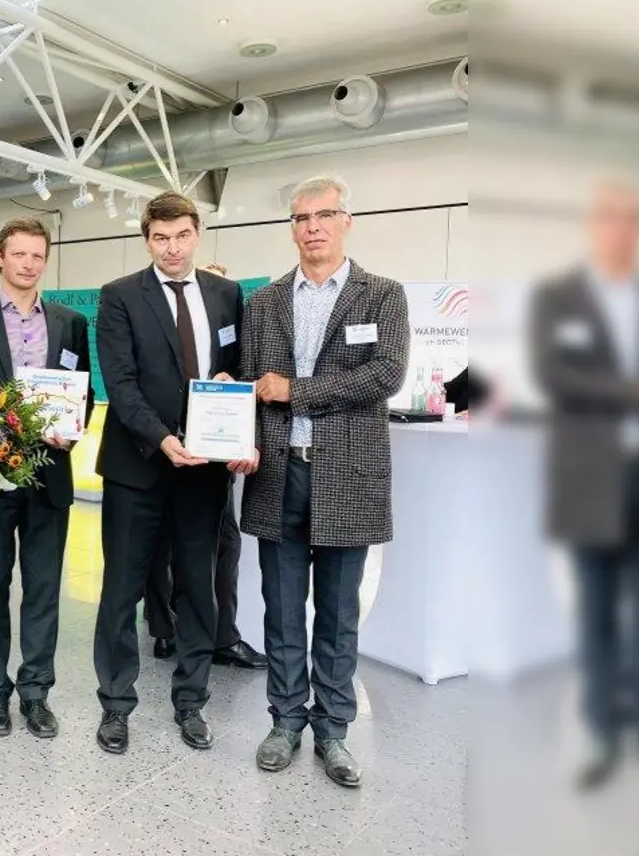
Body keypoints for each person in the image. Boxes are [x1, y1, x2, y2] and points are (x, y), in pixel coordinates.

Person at [239, 175, 408, 789]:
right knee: (282, 610)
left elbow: (386, 374)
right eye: (300, 217)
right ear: (291, 227)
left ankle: (334, 729)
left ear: (346, 221)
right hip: (277, 473)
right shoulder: (262, 303)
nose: (311, 226)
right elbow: (250, 389)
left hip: (348, 474)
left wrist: (298, 391)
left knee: (338, 612)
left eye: (323, 214)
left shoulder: (382, 296)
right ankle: (285, 721)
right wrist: (242, 440)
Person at [530, 183, 639, 789]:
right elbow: (555, 376)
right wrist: (636, 391)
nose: (620, 229)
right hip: (589, 481)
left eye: (631, 219)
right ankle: (601, 733)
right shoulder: (558, 298)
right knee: (595, 614)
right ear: (592, 226)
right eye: (608, 218)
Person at [92, 192, 254, 756]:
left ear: (197, 233)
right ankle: (116, 705)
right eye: (160, 238)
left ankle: (191, 702)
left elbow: (242, 370)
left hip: (204, 470)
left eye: (181, 235)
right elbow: (121, 383)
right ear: (147, 240)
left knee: (199, 587)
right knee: (121, 589)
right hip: (138, 465)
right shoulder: (118, 298)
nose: (172, 248)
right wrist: (163, 439)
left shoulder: (227, 295)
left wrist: (234, 398)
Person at [0, 217, 93, 739]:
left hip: (48, 475)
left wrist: (68, 434)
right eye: (19, 255)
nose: (28, 264)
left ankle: (35, 693)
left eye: (37, 256)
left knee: (44, 589)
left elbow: (84, 394)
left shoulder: (71, 322)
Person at [144, 261, 268, 671]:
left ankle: (221, 635)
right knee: (160, 542)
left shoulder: (230, 306)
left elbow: (242, 366)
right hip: (161, 443)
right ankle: (164, 627)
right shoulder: (147, 309)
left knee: (223, 544)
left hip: (215, 450)